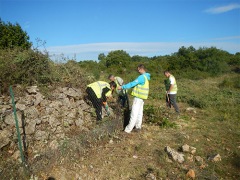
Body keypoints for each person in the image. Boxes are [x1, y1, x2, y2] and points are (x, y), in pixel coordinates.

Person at [118, 64, 150, 133]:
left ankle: (127, 130)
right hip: (142, 98)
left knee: (134, 114)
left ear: (141, 69)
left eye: (138, 70)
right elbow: (139, 85)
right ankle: (138, 127)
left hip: (138, 98)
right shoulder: (147, 77)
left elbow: (132, 83)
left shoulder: (141, 77)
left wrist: (122, 87)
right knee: (139, 113)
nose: (138, 71)